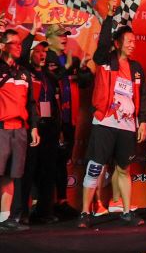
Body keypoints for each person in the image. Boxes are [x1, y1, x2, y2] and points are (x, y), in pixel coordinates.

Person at [77, 7, 146, 229]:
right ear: (117, 43)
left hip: (127, 126)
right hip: (105, 122)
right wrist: (109, 17)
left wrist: (142, 122)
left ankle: (126, 212)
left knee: (124, 169)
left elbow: (143, 96)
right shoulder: (105, 60)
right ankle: (84, 212)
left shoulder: (136, 68)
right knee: (95, 167)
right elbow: (102, 45)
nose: (133, 44)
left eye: (134, 41)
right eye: (128, 41)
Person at [47, 25, 92, 217]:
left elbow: (85, 83)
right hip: (50, 120)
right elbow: (49, 81)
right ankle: (45, 205)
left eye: (65, 35)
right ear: (49, 39)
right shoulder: (45, 57)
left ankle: (62, 201)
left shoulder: (71, 59)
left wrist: (83, 68)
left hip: (69, 120)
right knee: (49, 162)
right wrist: (65, 69)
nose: (63, 38)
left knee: (63, 161)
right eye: (59, 35)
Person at [0, 31, 39, 232]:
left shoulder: (24, 73)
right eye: (13, 43)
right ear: (2, 46)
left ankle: (7, 218)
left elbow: (31, 103)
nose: (18, 46)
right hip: (2, 128)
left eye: (20, 43)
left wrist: (34, 127)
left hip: (20, 130)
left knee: (13, 175)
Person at [20, 41, 61, 224]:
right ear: (30, 53)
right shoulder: (24, 73)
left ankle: (45, 211)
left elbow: (55, 104)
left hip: (49, 128)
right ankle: (22, 212)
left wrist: (58, 128)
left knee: (48, 171)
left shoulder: (50, 77)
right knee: (28, 171)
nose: (42, 54)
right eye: (38, 51)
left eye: (44, 51)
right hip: (32, 127)